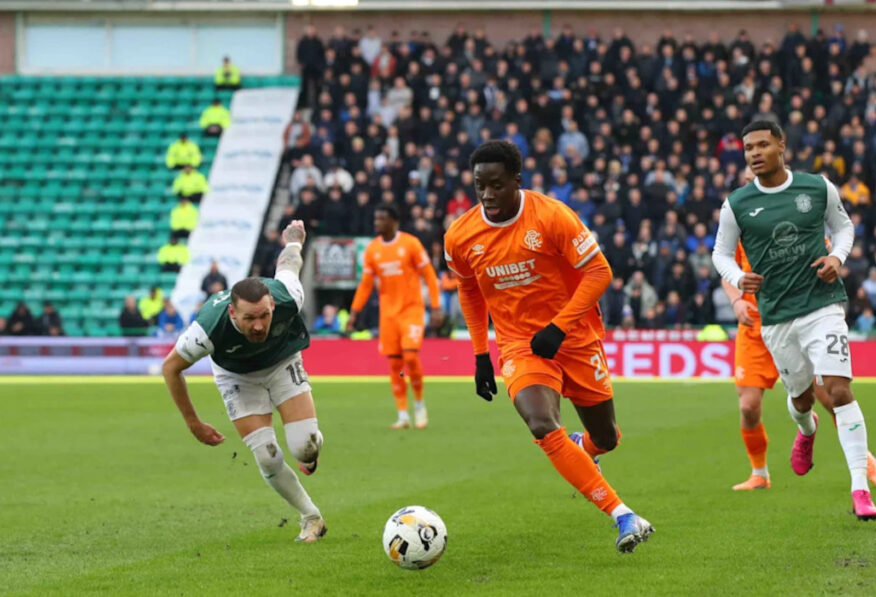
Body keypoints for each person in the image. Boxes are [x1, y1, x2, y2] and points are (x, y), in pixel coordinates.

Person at [444, 140, 654, 553]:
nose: (487, 195)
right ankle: (623, 514)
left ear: (517, 182)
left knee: (607, 438)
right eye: (479, 185)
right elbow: (468, 291)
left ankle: (583, 448)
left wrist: (559, 327)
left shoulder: (552, 215)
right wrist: (480, 354)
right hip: (521, 346)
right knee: (541, 423)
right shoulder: (461, 236)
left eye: (497, 185)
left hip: (574, 338)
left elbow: (599, 272)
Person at [712, 120, 876, 521]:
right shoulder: (736, 204)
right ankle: (806, 430)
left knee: (838, 392)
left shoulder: (817, 187)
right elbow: (720, 255)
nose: (753, 153)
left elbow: (843, 228)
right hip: (776, 319)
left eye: (762, 145)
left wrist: (837, 258)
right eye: (748, 147)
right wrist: (738, 279)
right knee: (801, 399)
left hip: (823, 306)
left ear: (781, 146)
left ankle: (860, 487)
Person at [162, 221, 326, 543]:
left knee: (304, 447)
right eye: (249, 318)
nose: (258, 325)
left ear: (272, 306)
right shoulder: (208, 327)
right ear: (233, 315)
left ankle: (309, 450)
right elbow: (171, 368)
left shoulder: (287, 296)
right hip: (236, 376)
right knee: (267, 455)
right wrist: (193, 422)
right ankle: (311, 518)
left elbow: (288, 264)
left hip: (282, 363)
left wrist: (293, 240)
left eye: (264, 315)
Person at [346, 204, 443, 429]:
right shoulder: (372, 250)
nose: (376, 223)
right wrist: (354, 313)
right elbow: (365, 285)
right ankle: (403, 414)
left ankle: (419, 403)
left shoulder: (410, 243)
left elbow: (429, 275)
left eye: (381, 219)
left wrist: (436, 307)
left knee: (410, 357)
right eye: (376, 219)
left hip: (411, 310)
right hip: (388, 314)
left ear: (394, 222)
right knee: (394, 364)